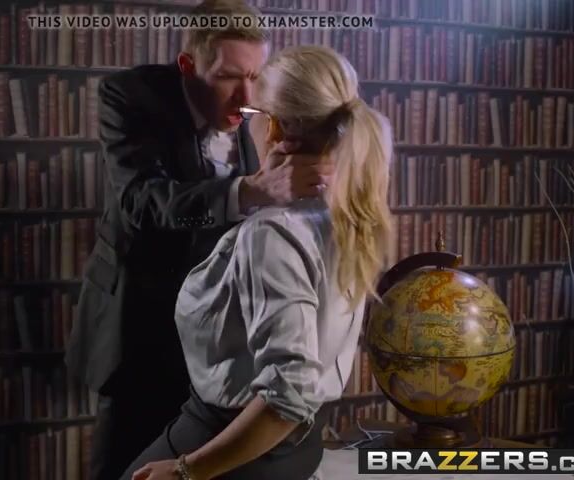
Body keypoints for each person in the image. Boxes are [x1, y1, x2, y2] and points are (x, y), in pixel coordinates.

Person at [64, 1, 334, 479]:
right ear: (187, 65)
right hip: (139, 328)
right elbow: (140, 202)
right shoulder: (129, 96)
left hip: (220, 343)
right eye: (228, 77)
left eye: (254, 76)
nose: (246, 98)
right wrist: (247, 191)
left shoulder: (259, 109)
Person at [121, 45, 395, 480]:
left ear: (276, 127)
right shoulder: (349, 212)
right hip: (298, 447)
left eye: (254, 112)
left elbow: (288, 393)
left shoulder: (273, 233)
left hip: (235, 441)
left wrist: (185, 471)